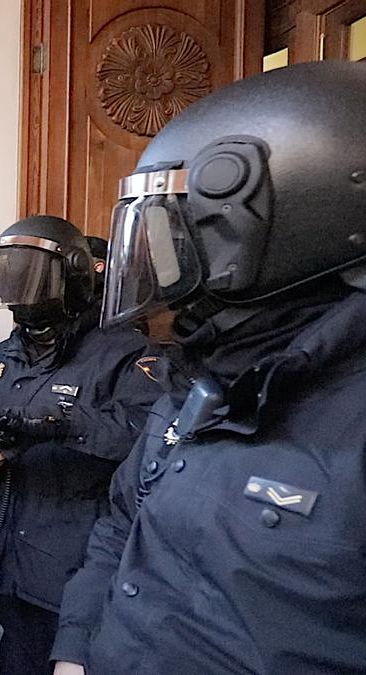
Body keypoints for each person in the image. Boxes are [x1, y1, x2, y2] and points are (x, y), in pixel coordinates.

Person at [51, 61, 366, 674]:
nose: (165, 262)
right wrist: (77, 645)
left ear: (251, 226)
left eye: (181, 230)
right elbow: (125, 518)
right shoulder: (202, 377)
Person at [0, 215, 161, 675]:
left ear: (70, 277)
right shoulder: (1, 358)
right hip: (9, 559)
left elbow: (151, 441)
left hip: (80, 569)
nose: (17, 291)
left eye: (30, 277)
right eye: (10, 278)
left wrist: (60, 422)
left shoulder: (124, 354)